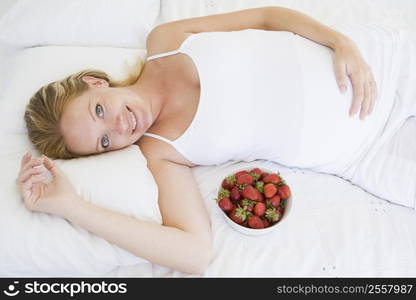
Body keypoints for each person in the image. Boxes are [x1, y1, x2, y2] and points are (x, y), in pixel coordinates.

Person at [16, 6, 415, 274]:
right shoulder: (161, 154)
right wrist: (70, 206)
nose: (119, 127)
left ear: (95, 82)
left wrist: (340, 42)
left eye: (99, 110)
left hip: (383, 59)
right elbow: (193, 253)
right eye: (104, 142)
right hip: (370, 150)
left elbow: (267, 15)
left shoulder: (167, 40)